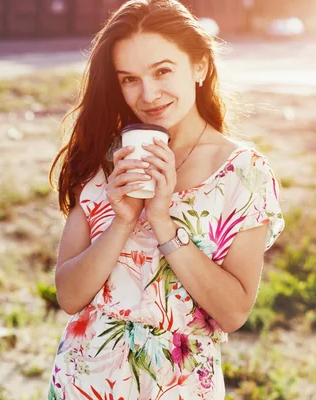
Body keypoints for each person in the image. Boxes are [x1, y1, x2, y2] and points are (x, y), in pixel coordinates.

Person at [47, 0, 285, 398]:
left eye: (162, 71)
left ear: (199, 66)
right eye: (129, 79)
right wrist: (122, 221)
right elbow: (70, 297)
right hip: (83, 381)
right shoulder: (104, 161)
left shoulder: (244, 173)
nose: (148, 93)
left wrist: (163, 223)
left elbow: (232, 312)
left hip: (182, 386)